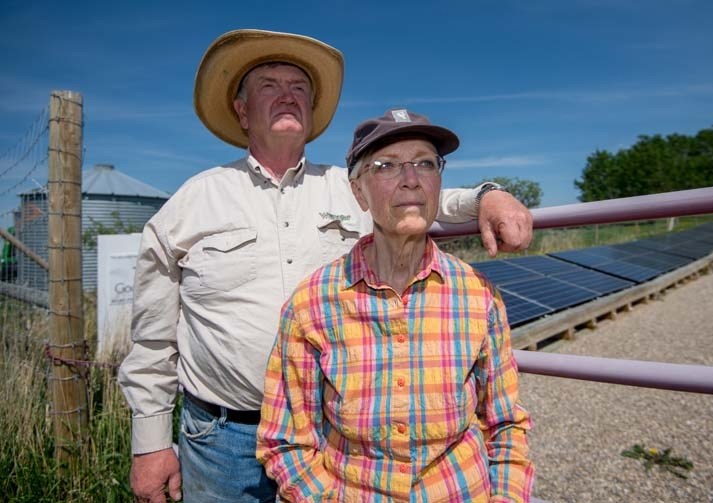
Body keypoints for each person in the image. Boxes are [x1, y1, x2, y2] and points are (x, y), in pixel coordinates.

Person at [118, 29, 534, 503]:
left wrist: (489, 195)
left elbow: (422, 197)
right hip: (222, 437)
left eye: (299, 88)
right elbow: (152, 337)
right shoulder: (193, 203)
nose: (287, 96)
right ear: (241, 110)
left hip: (333, 437)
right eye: (269, 86)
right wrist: (150, 444)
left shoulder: (352, 186)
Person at [256, 108, 535, 501]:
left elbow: (505, 426)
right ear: (359, 192)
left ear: (439, 180)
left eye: (425, 163)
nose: (411, 180)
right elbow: (286, 443)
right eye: (387, 166)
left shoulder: (478, 296)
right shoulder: (312, 305)